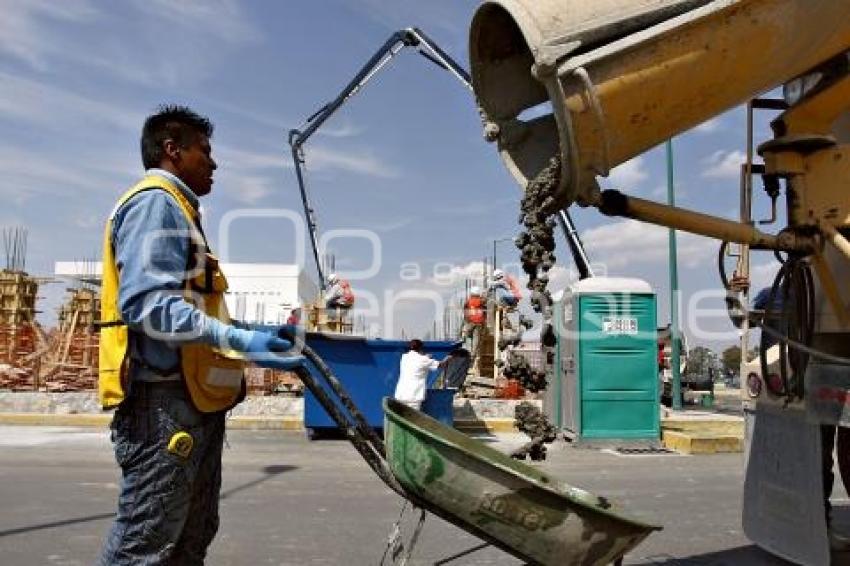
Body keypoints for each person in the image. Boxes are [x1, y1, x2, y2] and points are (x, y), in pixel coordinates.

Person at [97, 105, 305, 565]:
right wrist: (239, 342)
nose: (214, 163)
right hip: (162, 404)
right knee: (146, 546)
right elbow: (147, 305)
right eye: (204, 151)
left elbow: (194, 310)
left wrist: (253, 335)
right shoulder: (156, 203)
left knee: (191, 537)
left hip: (190, 402)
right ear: (173, 150)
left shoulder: (183, 213)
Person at [729, 274, 850, 550]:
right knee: (810, 459)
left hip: (817, 380)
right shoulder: (773, 296)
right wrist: (735, 295)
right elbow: (743, 318)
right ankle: (809, 528)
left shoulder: (821, 294)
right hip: (795, 382)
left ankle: (817, 527)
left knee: (819, 458)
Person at [394, 339, 451, 410]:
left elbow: (415, 361)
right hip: (413, 395)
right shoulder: (423, 359)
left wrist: (426, 357)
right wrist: (448, 357)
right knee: (412, 416)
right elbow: (441, 365)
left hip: (401, 393)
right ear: (421, 348)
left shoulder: (404, 357)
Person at [462, 287, 486, 355]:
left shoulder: (468, 301)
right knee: (476, 339)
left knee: (467, 336)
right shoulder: (481, 301)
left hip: (470, 322)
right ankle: (473, 354)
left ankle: (467, 350)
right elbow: (485, 307)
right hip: (479, 322)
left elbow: (465, 311)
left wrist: (467, 319)